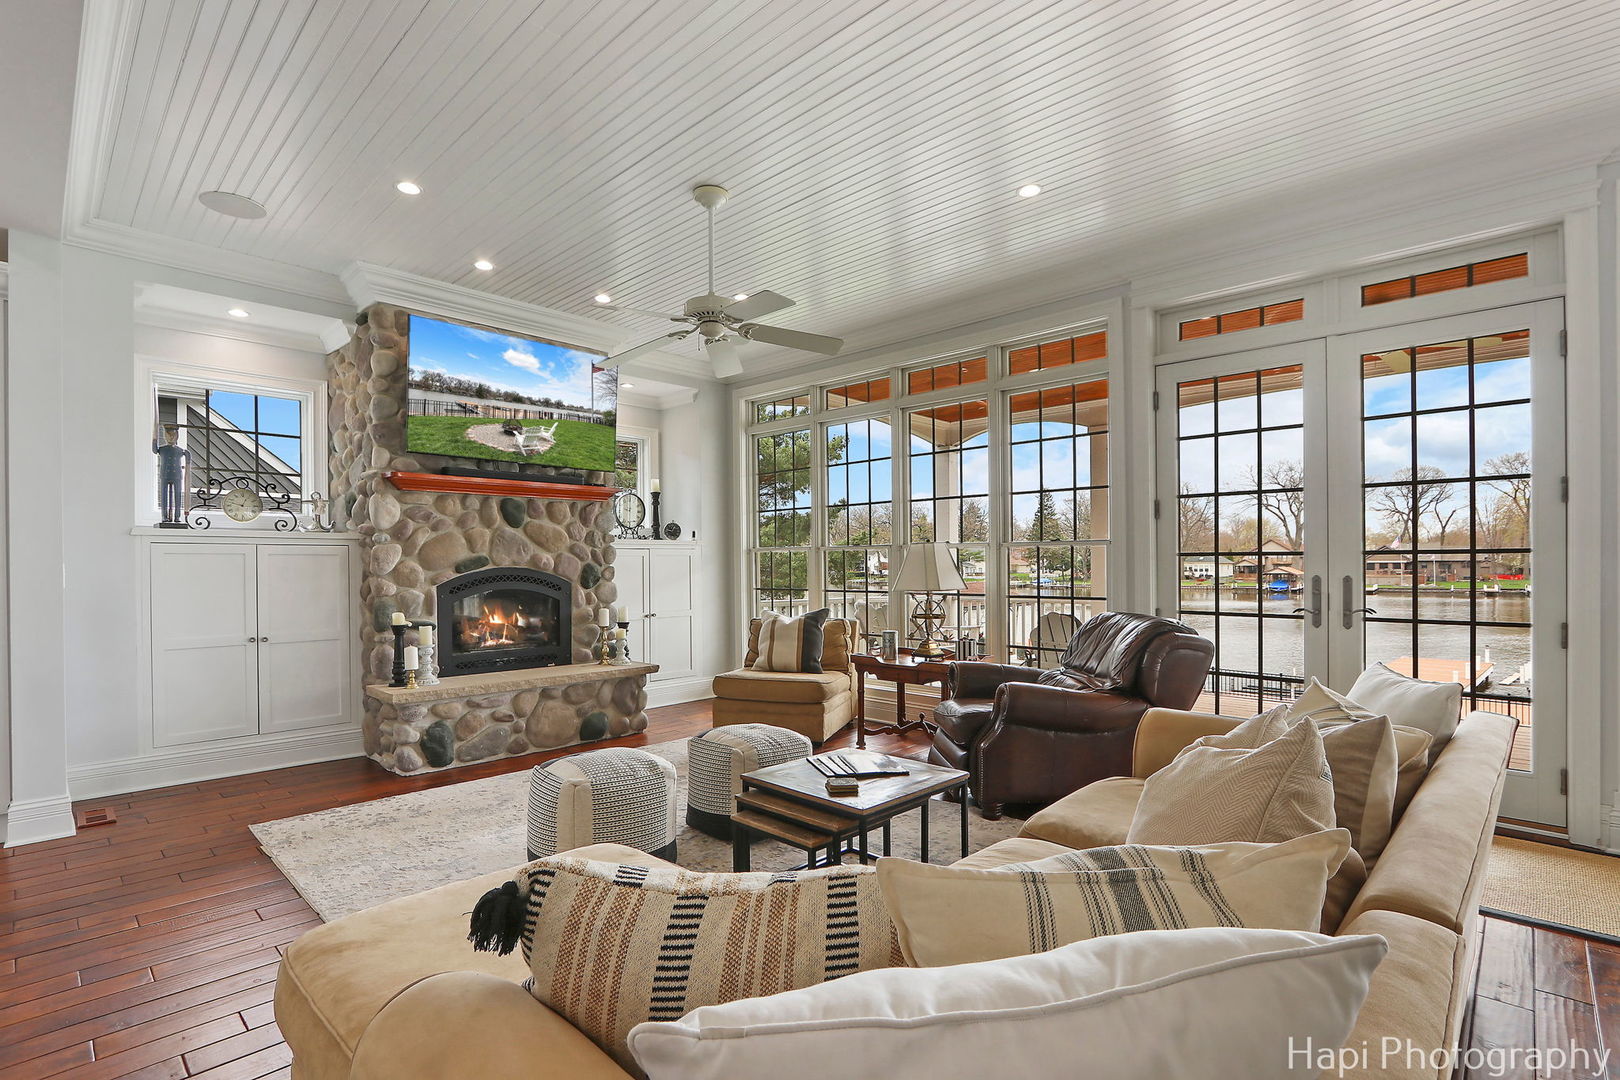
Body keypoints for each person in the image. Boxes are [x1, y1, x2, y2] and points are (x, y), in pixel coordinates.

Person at [153, 422, 190, 525]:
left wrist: (188, 457)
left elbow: (188, 460)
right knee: (164, 497)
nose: (171, 438)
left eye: (173, 435)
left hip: (177, 475)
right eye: (168, 436)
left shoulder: (180, 451)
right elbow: (154, 450)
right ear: (165, 437)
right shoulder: (162, 449)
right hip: (164, 474)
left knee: (177, 496)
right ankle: (164, 516)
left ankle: (177, 516)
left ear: (177, 436)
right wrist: (154, 438)